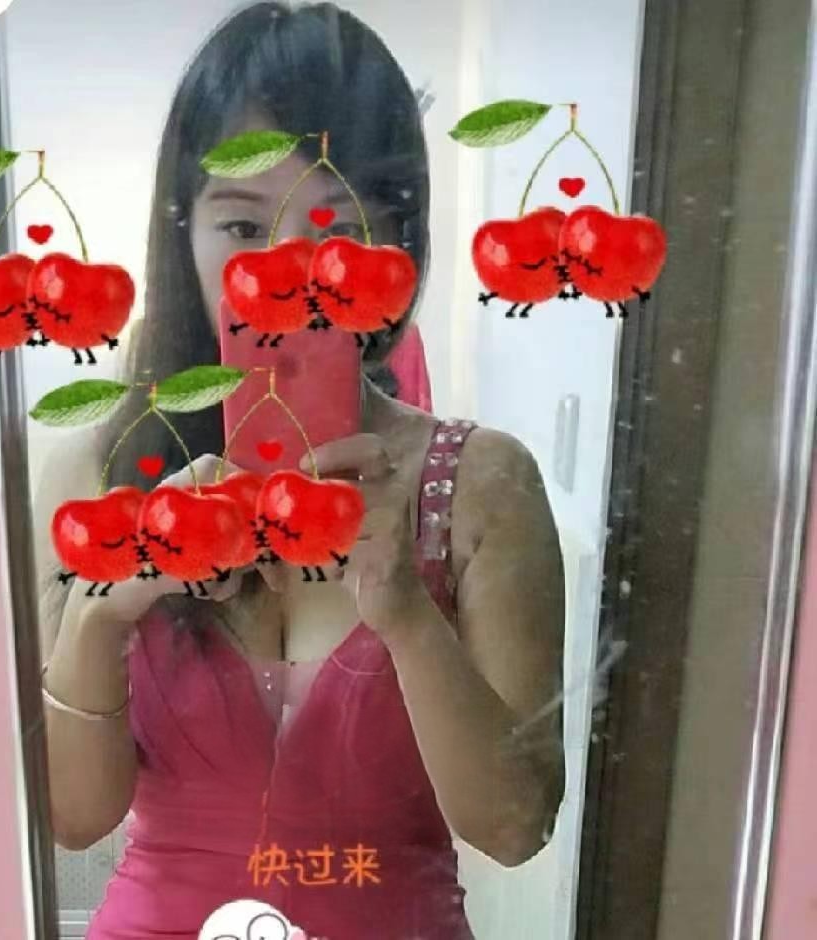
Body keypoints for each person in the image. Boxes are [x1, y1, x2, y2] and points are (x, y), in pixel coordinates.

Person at [34, 3, 566, 938]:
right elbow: (74, 820)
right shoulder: (99, 470)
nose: (287, 277)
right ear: (184, 237)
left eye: (334, 228)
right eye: (243, 227)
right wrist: (100, 616)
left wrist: (407, 613)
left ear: (394, 250)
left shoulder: (482, 483)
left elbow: (516, 829)